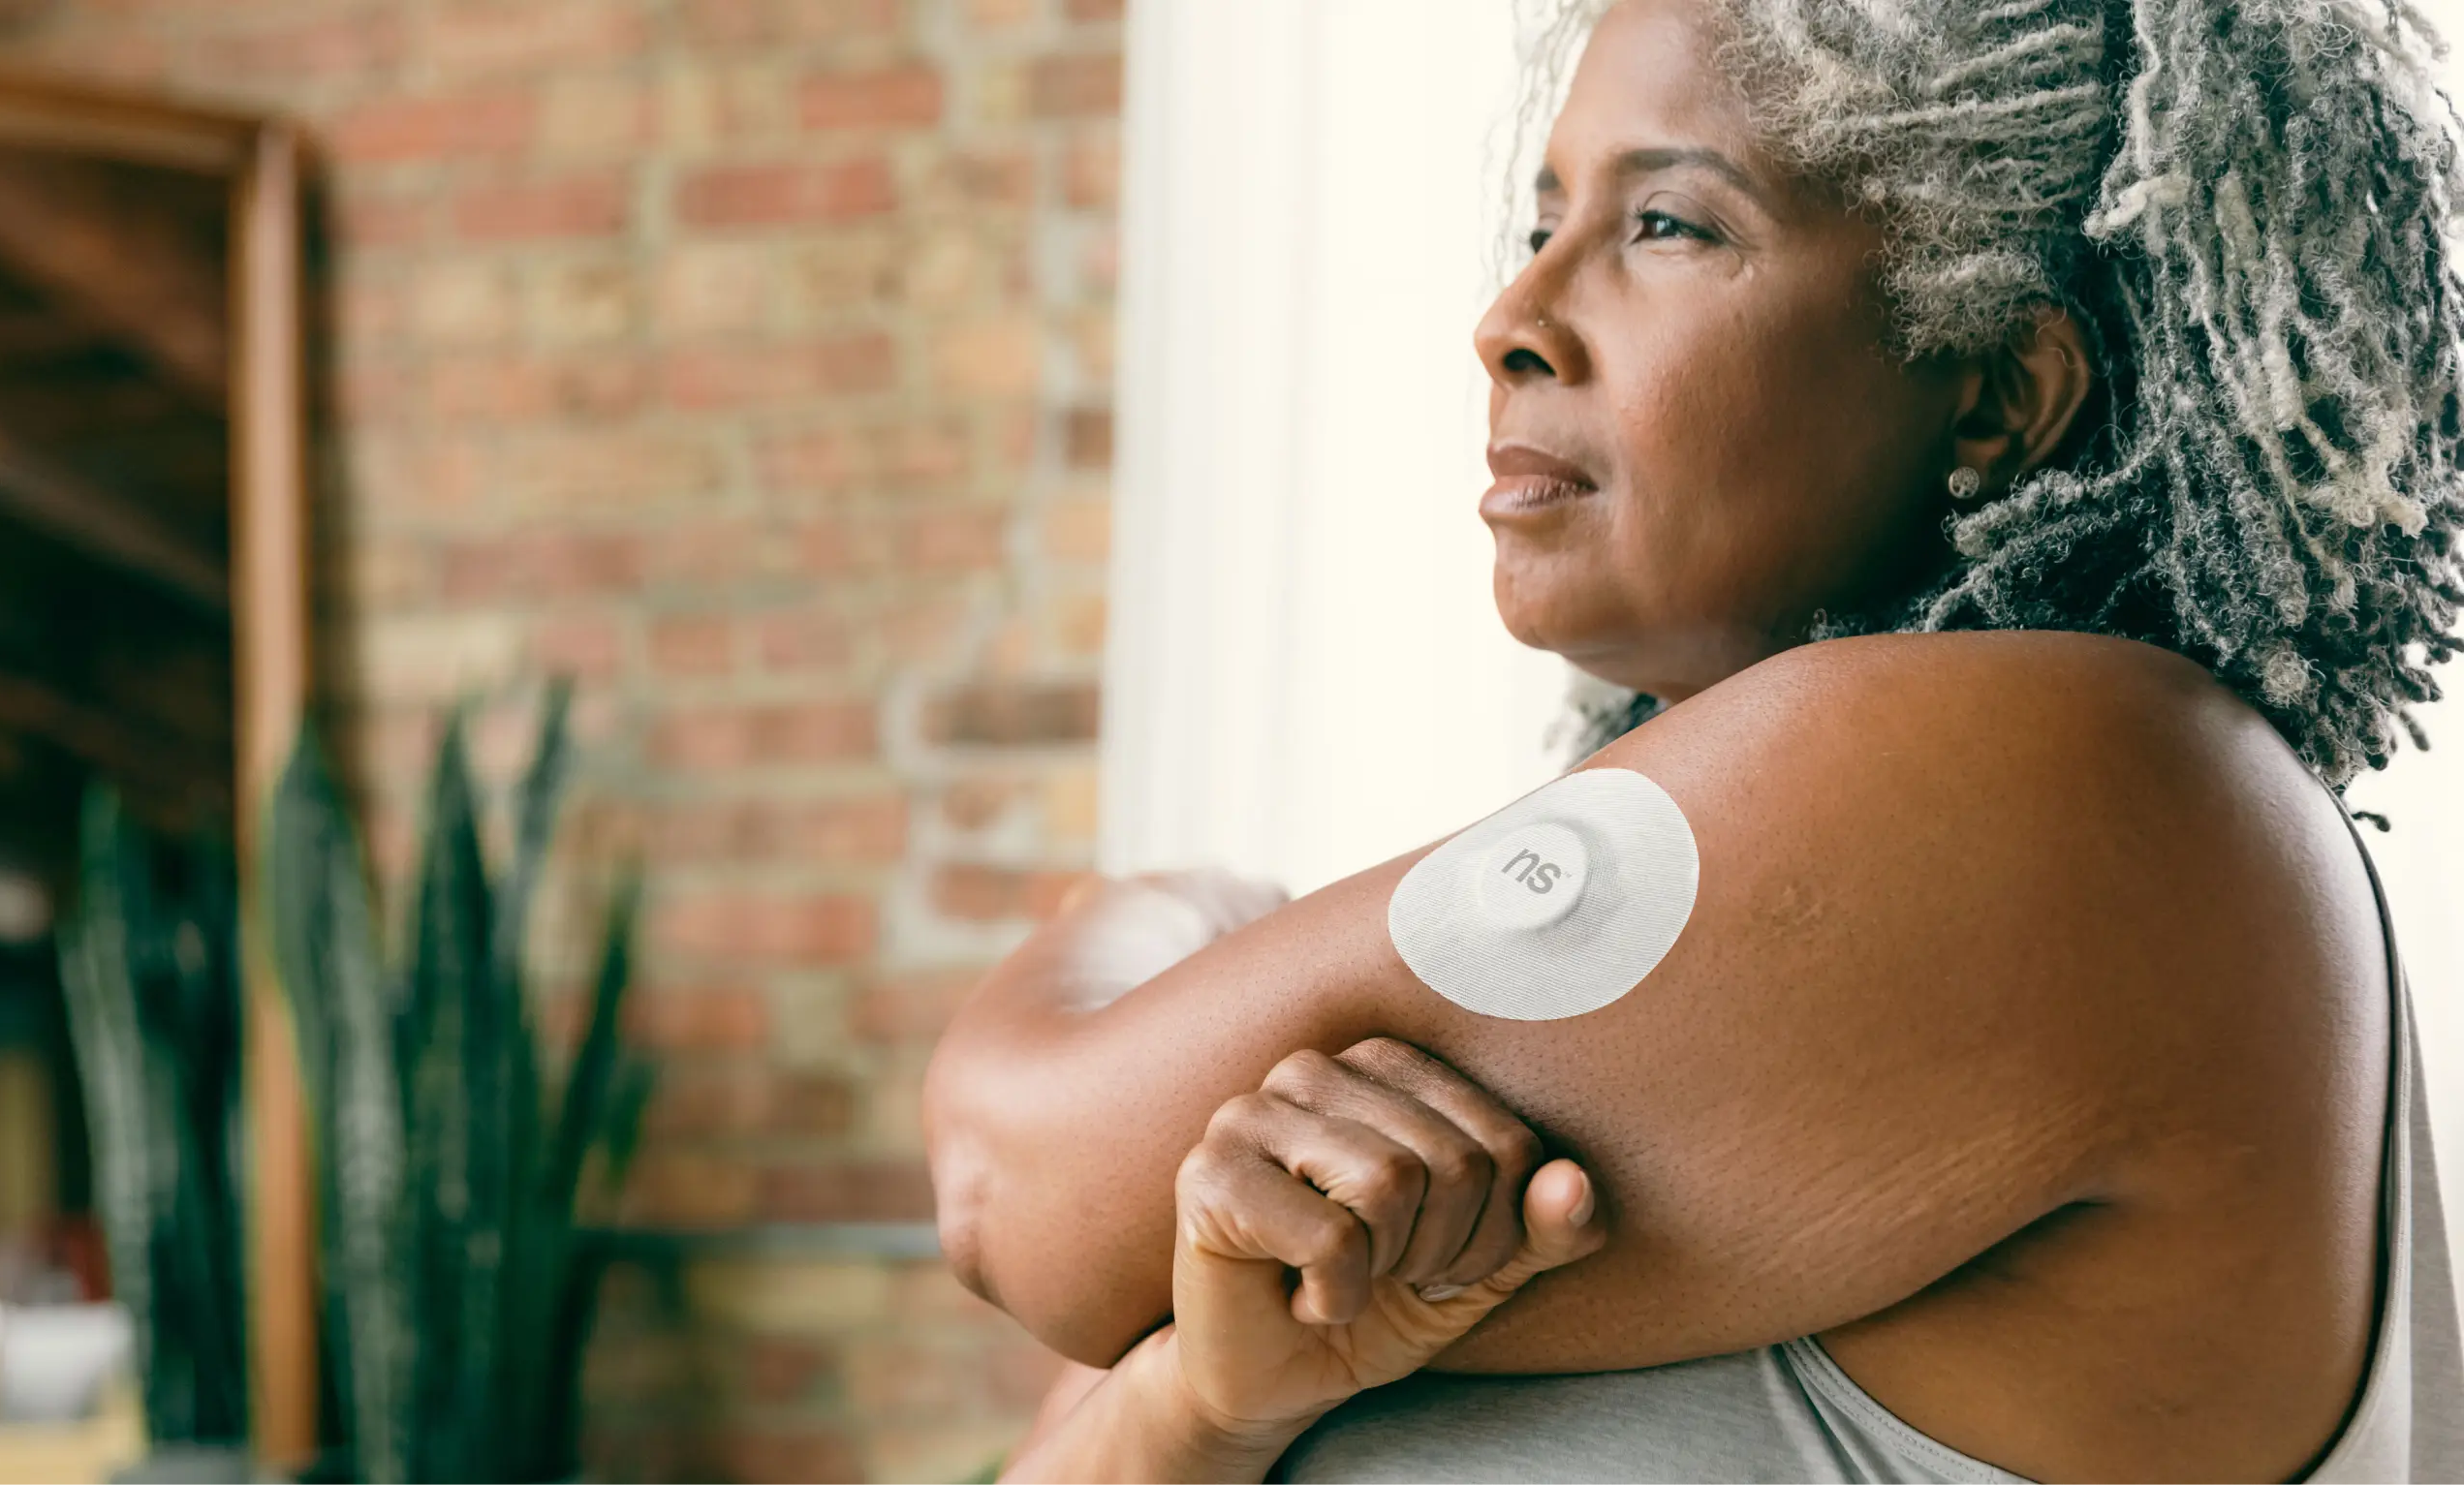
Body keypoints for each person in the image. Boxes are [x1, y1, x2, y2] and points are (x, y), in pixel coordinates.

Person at [923, 0, 2464, 1479]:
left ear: (1996, 392)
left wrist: (1175, 917)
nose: (1510, 323)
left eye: (1670, 224)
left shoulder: (2090, 788)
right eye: (1545, 230)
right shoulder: (1750, 967)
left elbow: (1013, 1190)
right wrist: (1199, 1408)